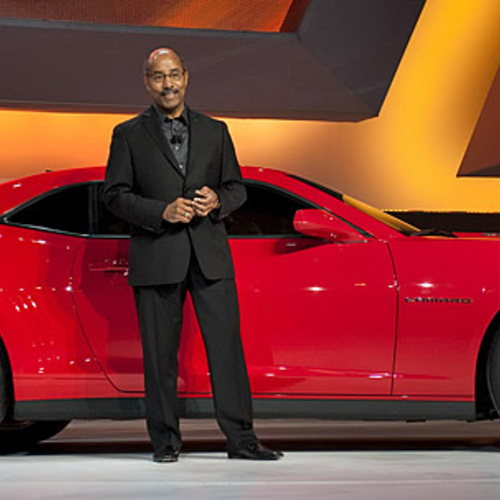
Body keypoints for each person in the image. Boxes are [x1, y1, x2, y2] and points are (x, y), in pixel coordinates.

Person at [103, 47, 282, 463]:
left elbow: (237, 188)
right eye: (158, 76)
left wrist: (217, 200)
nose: (168, 84)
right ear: (147, 82)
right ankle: (165, 443)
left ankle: (242, 440)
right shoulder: (128, 134)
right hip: (157, 256)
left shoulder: (216, 131)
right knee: (159, 358)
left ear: (186, 77)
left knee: (227, 352)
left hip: (210, 257)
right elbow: (114, 194)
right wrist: (160, 212)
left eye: (174, 75)